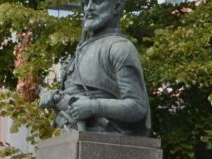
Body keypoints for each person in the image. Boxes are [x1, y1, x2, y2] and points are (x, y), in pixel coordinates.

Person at [39, 0, 150, 135]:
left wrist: (94, 107)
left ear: (116, 6)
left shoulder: (120, 48)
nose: (89, 8)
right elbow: (74, 95)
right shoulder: (81, 50)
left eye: (97, 2)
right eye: (85, 3)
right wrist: (55, 97)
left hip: (107, 139)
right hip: (71, 134)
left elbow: (138, 106)